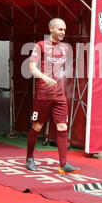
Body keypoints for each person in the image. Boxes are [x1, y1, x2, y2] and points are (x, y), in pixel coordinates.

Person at [26, 18, 80, 175]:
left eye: (64, 29)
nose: (63, 32)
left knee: (62, 127)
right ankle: (29, 158)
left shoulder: (65, 48)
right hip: (43, 95)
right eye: (60, 29)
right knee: (37, 126)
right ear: (51, 29)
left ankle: (64, 164)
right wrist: (44, 77)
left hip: (60, 95)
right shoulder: (40, 45)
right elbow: (31, 68)